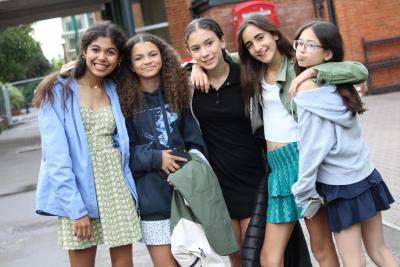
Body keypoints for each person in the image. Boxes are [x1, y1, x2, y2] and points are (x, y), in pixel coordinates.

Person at [234, 15, 370, 267]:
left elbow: (358, 71)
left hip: (302, 161)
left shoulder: (298, 62)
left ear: (274, 34)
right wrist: (195, 67)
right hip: (277, 168)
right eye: (249, 44)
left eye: (260, 37)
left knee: (321, 249)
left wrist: (313, 71)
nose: (257, 47)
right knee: (269, 257)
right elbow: (216, 59)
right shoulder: (253, 70)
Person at [290, 20, 398, 267]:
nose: (301, 50)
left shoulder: (307, 92)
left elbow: (313, 147)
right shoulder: (340, 83)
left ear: (327, 53)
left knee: (353, 262)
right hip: (366, 176)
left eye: (309, 45)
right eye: (298, 43)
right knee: (379, 251)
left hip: (340, 187)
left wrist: (304, 189)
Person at [33, 21, 141, 267]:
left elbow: (157, 73)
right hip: (78, 190)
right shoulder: (56, 92)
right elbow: (55, 158)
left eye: (110, 52)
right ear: (83, 50)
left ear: (118, 58)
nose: (102, 57)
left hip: (115, 185)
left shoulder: (116, 88)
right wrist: (75, 209)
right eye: (95, 49)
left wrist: (197, 68)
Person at [116, 33, 208, 267]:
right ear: (130, 65)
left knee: (198, 263)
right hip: (152, 202)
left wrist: (186, 174)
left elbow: (195, 143)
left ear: (163, 57)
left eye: (152, 54)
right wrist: (156, 158)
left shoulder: (178, 94)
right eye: (139, 58)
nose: (147, 61)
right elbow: (122, 153)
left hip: (186, 197)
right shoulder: (123, 103)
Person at [183, 18, 267, 267]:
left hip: (255, 178)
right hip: (217, 184)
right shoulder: (189, 85)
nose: (205, 52)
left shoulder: (247, 75)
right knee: (236, 256)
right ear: (189, 53)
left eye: (209, 43)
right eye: (196, 48)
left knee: (258, 254)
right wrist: (192, 67)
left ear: (222, 41)